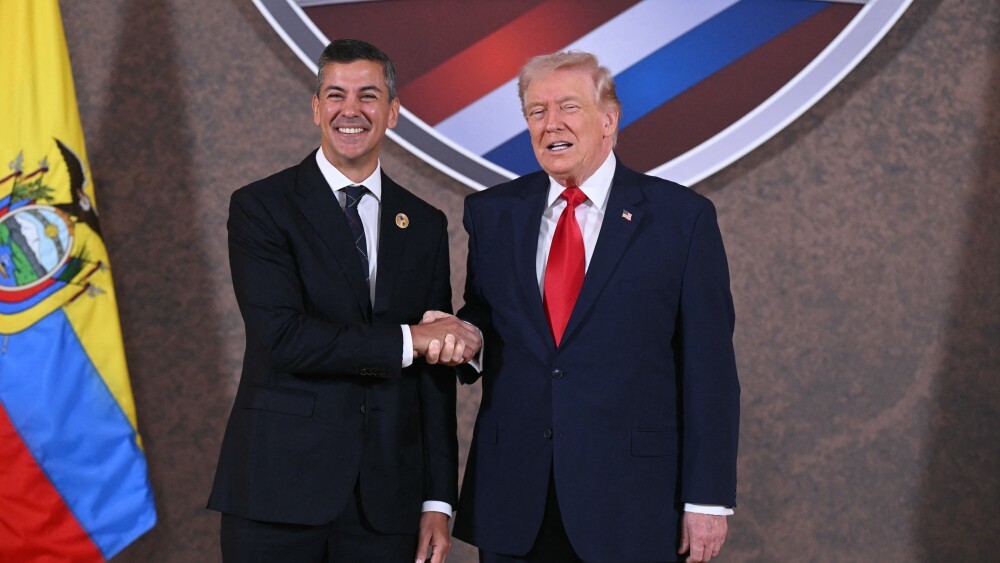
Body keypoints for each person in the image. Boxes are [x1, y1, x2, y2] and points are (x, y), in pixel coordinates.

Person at [446, 51, 741, 562]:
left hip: (634, 503)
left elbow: (709, 369)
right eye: (536, 111)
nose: (551, 124)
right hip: (516, 497)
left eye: (568, 107)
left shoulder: (681, 219)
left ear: (609, 119)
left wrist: (707, 498)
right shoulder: (492, 213)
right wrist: (465, 336)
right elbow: (487, 315)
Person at [207, 39, 479, 563]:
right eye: (336, 95)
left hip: (388, 504)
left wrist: (438, 500)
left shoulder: (424, 223)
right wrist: (410, 340)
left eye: (368, 96)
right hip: (277, 493)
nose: (350, 110)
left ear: (392, 112)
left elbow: (434, 379)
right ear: (316, 108)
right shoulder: (261, 207)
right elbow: (285, 339)